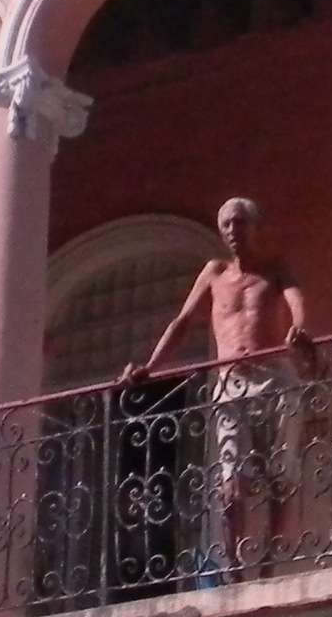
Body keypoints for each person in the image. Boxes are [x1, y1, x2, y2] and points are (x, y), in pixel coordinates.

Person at [125, 198, 318, 577]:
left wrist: (299, 327)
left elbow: (296, 301)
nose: (233, 230)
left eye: (240, 222)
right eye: (227, 224)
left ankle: (269, 563)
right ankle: (234, 566)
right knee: (231, 483)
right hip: (230, 383)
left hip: (274, 377)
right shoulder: (214, 272)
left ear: (255, 228)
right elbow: (183, 322)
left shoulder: (274, 269)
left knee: (281, 475)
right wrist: (151, 366)